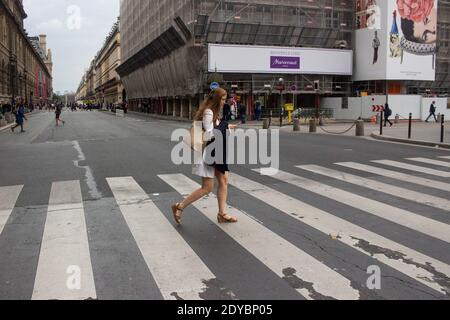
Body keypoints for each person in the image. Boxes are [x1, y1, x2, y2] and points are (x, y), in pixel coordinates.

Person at [172, 88, 238, 225]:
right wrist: (225, 127)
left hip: (216, 152)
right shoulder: (208, 112)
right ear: (216, 100)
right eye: (223, 99)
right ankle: (179, 206)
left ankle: (222, 214)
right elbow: (208, 134)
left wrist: (228, 127)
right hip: (208, 153)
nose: (224, 102)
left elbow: (216, 129)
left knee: (224, 180)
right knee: (207, 188)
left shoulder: (214, 113)